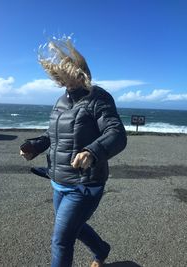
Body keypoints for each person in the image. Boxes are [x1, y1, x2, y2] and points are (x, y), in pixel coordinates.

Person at [20, 36, 127, 267]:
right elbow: (53, 135)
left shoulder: (99, 98)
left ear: (82, 73)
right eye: (60, 78)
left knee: (61, 239)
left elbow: (116, 133)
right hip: (59, 182)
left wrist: (92, 151)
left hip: (85, 185)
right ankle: (101, 249)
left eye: (68, 76)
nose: (65, 82)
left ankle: (100, 250)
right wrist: (35, 146)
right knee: (74, 228)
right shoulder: (60, 102)